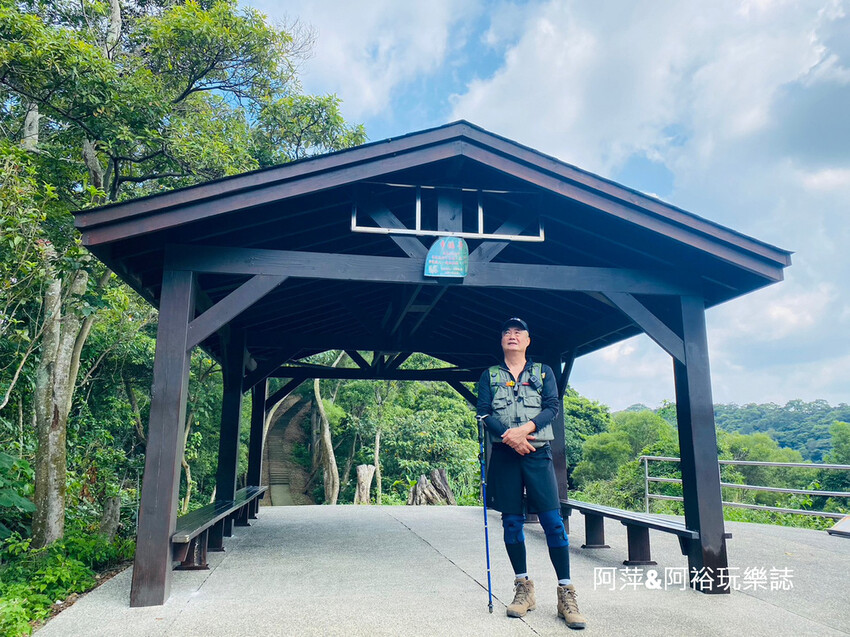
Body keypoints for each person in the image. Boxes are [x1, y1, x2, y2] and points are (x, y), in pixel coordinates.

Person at [476, 317, 586, 629]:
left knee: (553, 522)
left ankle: (566, 592)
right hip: (504, 455)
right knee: (511, 523)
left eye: (518, 332)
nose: (512, 336)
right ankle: (523, 588)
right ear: (501, 341)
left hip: (538, 453)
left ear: (528, 340)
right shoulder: (490, 375)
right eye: (507, 332)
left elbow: (552, 406)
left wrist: (523, 431)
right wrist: (510, 437)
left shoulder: (543, 372)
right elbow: (484, 410)